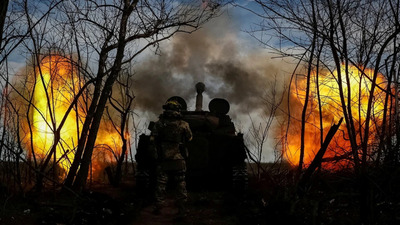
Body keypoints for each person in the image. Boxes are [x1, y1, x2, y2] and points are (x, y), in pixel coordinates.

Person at [150, 100, 192, 217]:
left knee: (161, 184)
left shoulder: (159, 123)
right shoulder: (183, 124)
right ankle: (182, 209)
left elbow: (153, 139)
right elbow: (189, 138)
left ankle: (158, 207)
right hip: (178, 159)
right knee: (180, 184)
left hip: (164, 158)